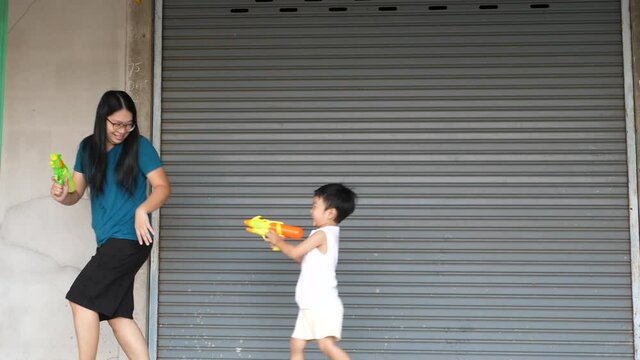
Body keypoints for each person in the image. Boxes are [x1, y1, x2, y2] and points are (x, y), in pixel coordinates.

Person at [50, 90, 171, 360]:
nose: (122, 130)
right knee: (119, 316)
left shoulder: (140, 146)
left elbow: (163, 188)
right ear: (102, 119)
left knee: (80, 298)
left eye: (128, 124)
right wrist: (61, 195)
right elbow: (75, 194)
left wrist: (144, 208)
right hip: (111, 242)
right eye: (116, 123)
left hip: (131, 238)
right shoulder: (87, 148)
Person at [265, 183, 357, 360]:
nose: (310, 210)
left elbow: (295, 252)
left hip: (322, 303)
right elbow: (301, 258)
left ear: (330, 213)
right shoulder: (325, 234)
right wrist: (279, 243)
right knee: (296, 344)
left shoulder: (321, 234)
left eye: (315, 206)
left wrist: (278, 242)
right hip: (310, 303)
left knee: (326, 345)